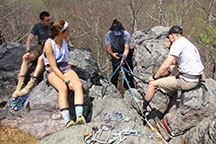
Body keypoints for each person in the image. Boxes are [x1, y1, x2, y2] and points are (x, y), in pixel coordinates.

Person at [133, 25, 204, 113]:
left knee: (152, 84)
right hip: (195, 77)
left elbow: (166, 64)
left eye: (169, 37)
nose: (168, 40)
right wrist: (170, 49)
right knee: (170, 68)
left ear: (172, 35)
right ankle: (162, 80)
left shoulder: (177, 44)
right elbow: (175, 64)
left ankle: (143, 107)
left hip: (187, 80)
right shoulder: (186, 42)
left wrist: (154, 78)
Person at [43, 20, 86, 128]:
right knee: (63, 89)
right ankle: (67, 120)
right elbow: (53, 66)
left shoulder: (64, 40)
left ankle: (79, 117)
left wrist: (67, 63)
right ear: (60, 33)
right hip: (53, 70)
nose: (68, 33)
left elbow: (64, 51)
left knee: (78, 85)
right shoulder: (49, 44)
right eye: (67, 31)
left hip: (65, 67)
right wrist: (66, 81)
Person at [12, 11, 53, 98]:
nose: (49, 22)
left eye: (50, 20)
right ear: (41, 21)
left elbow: (62, 34)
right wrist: (27, 51)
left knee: (41, 59)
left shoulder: (53, 25)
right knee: (26, 58)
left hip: (50, 47)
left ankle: (31, 83)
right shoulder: (37, 26)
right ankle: (20, 84)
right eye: (47, 20)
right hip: (40, 46)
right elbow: (29, 39)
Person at [105, 19, 135, 89]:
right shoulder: (108, 35)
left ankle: (128, 88)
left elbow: (127, 49)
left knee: (128, 73)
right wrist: (112, 54)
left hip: (125, 53)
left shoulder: (126, 35)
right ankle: (113, 89)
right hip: (115, 53)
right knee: (115, 73)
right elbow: (108, 49)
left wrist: (123, 59)